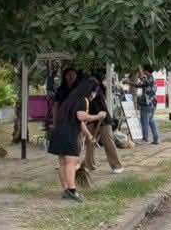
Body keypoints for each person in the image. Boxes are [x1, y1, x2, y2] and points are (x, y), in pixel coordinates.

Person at [48, 73, 98, 202]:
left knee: (63, 163)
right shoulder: (84, 100)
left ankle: (66, 190)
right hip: (69, 134)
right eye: (95, 91)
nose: (95, 94)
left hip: (58, 133)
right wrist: (98, 116)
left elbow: (78, 121)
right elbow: (81, 116)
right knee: (71, 163)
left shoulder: (70, 100)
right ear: (91, 90)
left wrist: (89, 135)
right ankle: (72, 190)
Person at [82, 75, 124, 175]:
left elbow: (91, 97)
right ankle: (89, 165)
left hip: (103, 118)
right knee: (89, 141)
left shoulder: (97, 89)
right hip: (91, 117)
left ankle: (117, 165)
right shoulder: (84, 92)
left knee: (107, 140)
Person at [137, 66, 160, 145]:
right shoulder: (150, 78)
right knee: (150, 120)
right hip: (152, 102)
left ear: (146, 71)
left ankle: (145, 139)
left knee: (144, 121)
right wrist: (129, 83)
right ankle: (156, 138)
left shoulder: (150, 78)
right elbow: (140, 85)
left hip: (147, 103)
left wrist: (141, 72)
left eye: (143, 70)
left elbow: (144, 82)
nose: (142, 72)